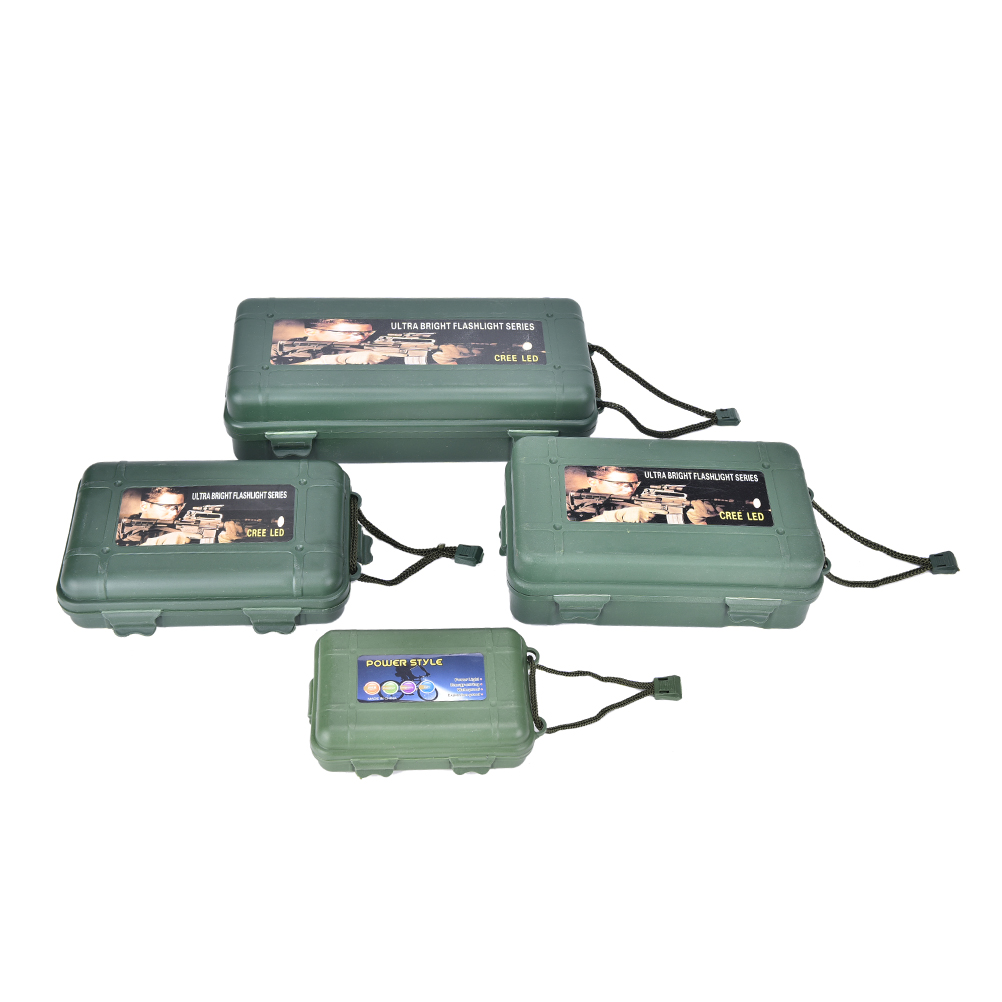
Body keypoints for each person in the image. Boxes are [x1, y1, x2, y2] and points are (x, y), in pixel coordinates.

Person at [565, 466, 657, 523]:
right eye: (618, 483)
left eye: (634, 483)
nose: (630, 489)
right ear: (592, 482)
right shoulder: (567, 503)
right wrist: (615, 517)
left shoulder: (641, 501)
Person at [116, 488, 193, 545]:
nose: (175, 512)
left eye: (179, 506)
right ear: (144, 506)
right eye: (166, 506)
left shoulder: (182, 528)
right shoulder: (118, 530)